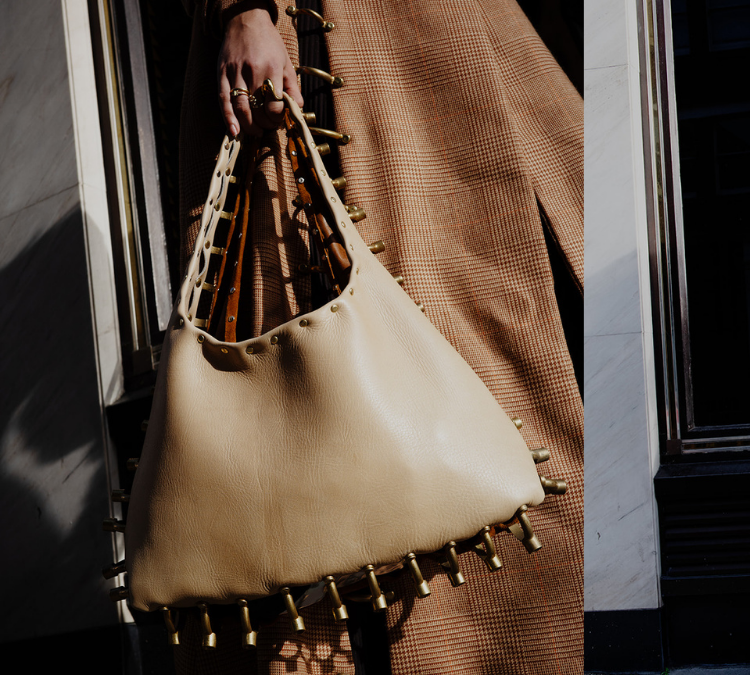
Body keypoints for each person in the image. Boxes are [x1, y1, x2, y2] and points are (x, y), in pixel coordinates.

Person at [173, 0, 582, 672]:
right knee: (301, 421)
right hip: (296, 51)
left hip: (432, 54)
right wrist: (242, 9)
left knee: (487, 370)